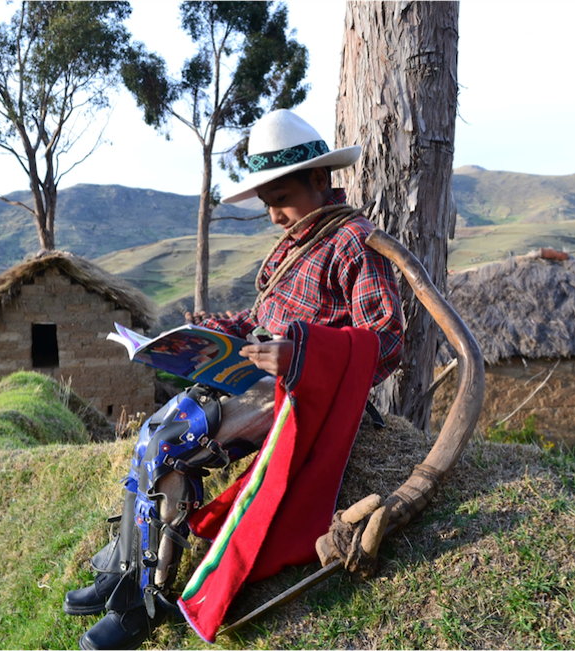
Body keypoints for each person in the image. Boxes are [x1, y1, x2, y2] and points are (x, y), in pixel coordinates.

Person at [65, 108, 404, 651]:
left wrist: (300, 355)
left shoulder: (355, 244)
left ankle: (143, 603)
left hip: (304, 395)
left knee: (174, 445)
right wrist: (208, 330)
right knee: (155, 430)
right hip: (258, 377)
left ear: (321, 179)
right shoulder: (294, 245)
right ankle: (126, 566)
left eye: (281, 199)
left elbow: (385, 339)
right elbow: (262, 320)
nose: (273, 215)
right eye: (267, 203)